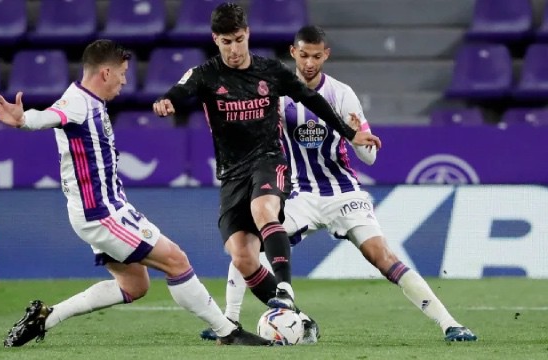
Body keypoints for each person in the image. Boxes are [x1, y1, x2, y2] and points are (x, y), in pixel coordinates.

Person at [199, 25, 478, 343]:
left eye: (316, 56)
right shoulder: (277, 94)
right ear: (293, 53)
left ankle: (449, 324)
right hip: (300, 194)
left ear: (325, 55)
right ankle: (229, 321)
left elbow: (368, 157)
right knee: (248, 244)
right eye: (303, 55)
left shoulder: (342, 94)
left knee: (382, 256)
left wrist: (362, 139)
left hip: (343, 192)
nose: (309, 63)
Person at [0, 39, 272, 347]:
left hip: (106, 209)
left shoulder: (91, 102)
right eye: (122, 73)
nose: (125, 80)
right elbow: (50, 116)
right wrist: (23, 119)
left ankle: (46, 316)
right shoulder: (77, 102)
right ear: (105, 73)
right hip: (101, 213)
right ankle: (227, 332)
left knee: (134, 285)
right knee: (176, 260)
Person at [153, 3, 381, 318]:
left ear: (247, 34)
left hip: (269, 160)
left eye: (239, 39)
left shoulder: (270, 71)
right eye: (226, 42)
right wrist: (167, 101)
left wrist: (348, 133)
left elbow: (314, 100)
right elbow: (181, 90)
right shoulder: (206, 74)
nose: (234, 49)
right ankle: (296, 319)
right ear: (215, 39)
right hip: (232, 173)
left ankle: (285, 289)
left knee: (263, 210)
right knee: (242, 257)